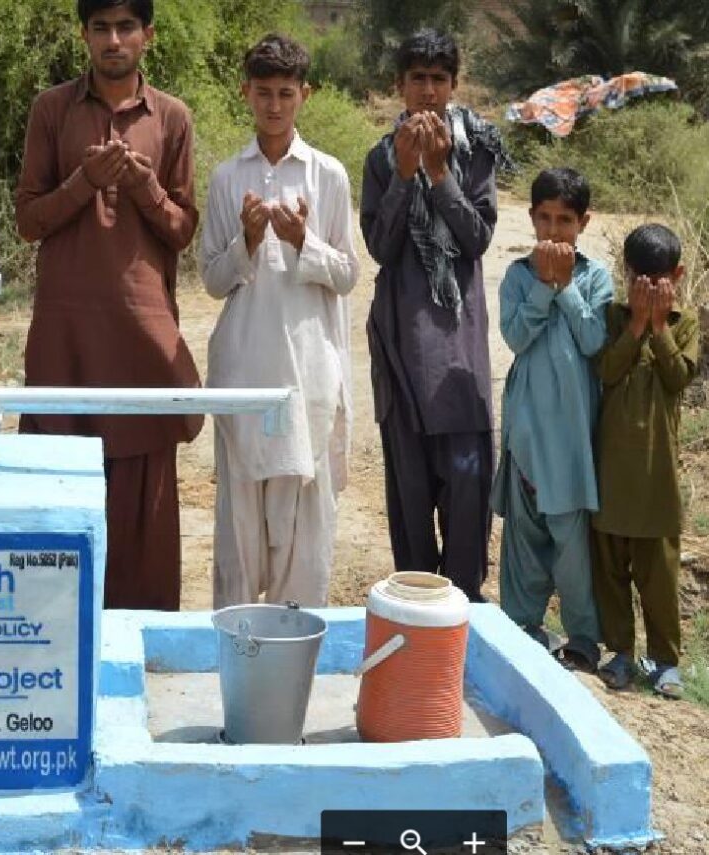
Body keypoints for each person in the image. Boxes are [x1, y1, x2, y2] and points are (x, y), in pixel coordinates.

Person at [15, 0, 202, 611]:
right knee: (55, 481)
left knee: (142, 492)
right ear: (85, 35)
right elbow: (27, 221)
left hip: (141, 333)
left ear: (148, 35)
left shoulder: (171, 116)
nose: (114, 40)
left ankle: (141, 638)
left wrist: (145, 188)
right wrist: (85, 183)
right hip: (65, 333)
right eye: (101, 28)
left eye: (126, 28)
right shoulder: (52, 109)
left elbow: (180, 229)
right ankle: (51, 634)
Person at [199, 35, 359, 608]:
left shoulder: (329, 175)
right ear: (245, 93)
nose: (273, 105)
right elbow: (213, 280)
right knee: (240, 530)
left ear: (304, 96)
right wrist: (247, 239)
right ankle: (238, 656)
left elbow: (346, 274)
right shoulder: (227, 177)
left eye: (285, 93)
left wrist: (300, 241)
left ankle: (293, 659)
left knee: (303, 529)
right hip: (244, 369)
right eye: (263, 92)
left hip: (308, 373)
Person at [361, 29, 513, 601]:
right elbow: (380, 245)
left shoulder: (476, 152)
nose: (428, 91)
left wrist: (441, 172)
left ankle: (466, 603)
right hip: (402, 342)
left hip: (456, 346)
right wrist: (405, 173)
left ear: (454, 86)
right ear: (399, 87)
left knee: (469, 481)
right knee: (410, 488)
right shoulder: (381, 158)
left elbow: (476, 239)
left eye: (438, 80)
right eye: (417, 79)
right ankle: (419, 605)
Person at [491, 168, 612, 671]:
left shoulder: (595, 276)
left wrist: (563, 287)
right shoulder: (518, 275)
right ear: (532, 217)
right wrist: (542, 285)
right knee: (524, 534)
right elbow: (516, 337)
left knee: (570, 540)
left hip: (572, 433)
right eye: (545, 218)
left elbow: (593, 340)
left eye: (565, 220)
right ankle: (522, 624)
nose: (554, 230)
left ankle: (582, 636)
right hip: (527, 428)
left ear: (583, 223)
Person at [592, 223, 700, 699]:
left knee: (659, 578)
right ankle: (618, 652)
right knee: (611, 572)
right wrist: (635, 323)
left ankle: (664, 660)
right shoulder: (613, 316)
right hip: (611, 474)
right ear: (627, 274)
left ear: (676, 276)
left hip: (658, 480)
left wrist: (657, 326)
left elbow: (678, 378)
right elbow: (608, 370)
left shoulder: (687, 323)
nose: (650, 291)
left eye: (660, 282)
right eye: (641, 280)